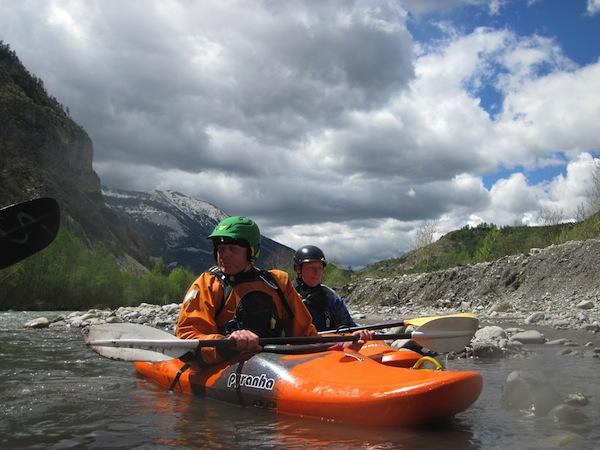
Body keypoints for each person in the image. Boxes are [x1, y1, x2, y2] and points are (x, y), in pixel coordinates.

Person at [176, 216, 370, 366]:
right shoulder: (207, 284)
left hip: (271, 361)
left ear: (251, 251)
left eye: (232, 249)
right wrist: (227, 341)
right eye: (220, 248)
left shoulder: (276, 282)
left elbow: (304, 335)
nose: (223, 255)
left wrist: (342, 342)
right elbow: (188, 338)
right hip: (226, 362)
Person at [293, 245, 362, 333]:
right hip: (298, 344)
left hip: (330, 344)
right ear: (298, 269)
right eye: (311, 268)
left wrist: (358, 332)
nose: (316, 273)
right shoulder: (288, 294)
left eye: (320, 268)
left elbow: (349, 326)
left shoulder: (331, 296)